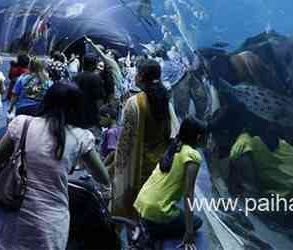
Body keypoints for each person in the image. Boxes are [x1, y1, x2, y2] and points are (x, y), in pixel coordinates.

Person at [0, 81, 111, 250]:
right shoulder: (81, 137)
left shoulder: (22, 124)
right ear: (76, 107)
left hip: (12, 215)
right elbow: (102, 177)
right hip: (50, 222)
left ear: (47, 100)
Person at [112, 58, 180, 219]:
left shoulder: (134, 103)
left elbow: (125, 141)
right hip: (160, 162)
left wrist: (119, 167)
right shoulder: (165, 99)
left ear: (141, 76)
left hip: (140, 164)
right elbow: (174, 131)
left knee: (135, 205)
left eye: (136, 73)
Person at [134, 117, 207, 250]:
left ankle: (147, 226)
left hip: (141, 203)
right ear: (198, 137)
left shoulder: (175, 146)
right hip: (156, 210)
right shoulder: (193, 156)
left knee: (176, 212)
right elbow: (188, 194)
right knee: (197, 222)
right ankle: (153, 233)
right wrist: (189, 232)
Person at [73, 54, 106, 130]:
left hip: (77, 114)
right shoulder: (96, 78)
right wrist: (100, 114)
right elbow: (99, 99)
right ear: (93, 65)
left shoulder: (76, 77)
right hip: (90, 115)